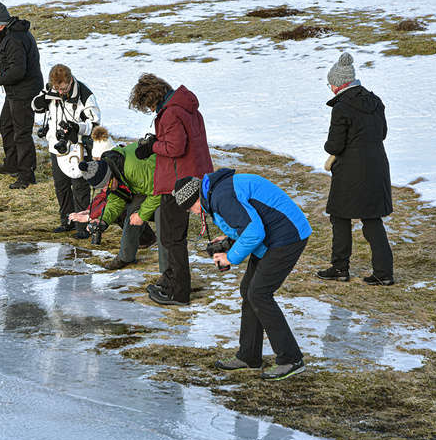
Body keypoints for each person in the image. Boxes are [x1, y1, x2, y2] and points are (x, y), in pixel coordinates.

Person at [174, 170, 311, 381]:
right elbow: (247, 219)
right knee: (249, 291)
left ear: (194, 199)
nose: (193, 213)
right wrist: (229, 237)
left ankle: (291, 360)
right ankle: (249, 357)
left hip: (287, 236)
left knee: (259, 293)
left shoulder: (220, 196)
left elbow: (255, 231)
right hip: (274, 236)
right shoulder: (216, 192)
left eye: (190, 208)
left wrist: (230, 257)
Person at [127, 73, 213, 305]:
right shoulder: (186, 108)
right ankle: (170, 281)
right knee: (172, 236)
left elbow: (176, 147)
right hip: (189, 176)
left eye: (148, 105)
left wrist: (152, 146)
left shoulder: (172, 111)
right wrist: (157, 139)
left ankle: (178, 292)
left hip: (177, 183)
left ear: (152, 97)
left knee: (172, 238)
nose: (150, 109)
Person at [315, 53, 395, 285]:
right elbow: (382, 134)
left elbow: (335, 145)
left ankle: (340, 268)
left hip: (351, 169)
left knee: (340, 217)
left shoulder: (341, 108)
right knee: (372, 220)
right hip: (377, 165)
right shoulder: (375, 100)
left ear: (341, 83)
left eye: (330, 83)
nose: (329, 87)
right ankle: (384, 273)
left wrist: (329, 149)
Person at [32, 64, 107, 239]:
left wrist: (77, 128)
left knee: (80, 187)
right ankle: (66, 221)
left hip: (78, 146)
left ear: (70, 80)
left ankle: (82, 226)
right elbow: (35, 106)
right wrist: (43, 99)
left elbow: (95, 124)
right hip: (56, 145)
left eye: (63, 89)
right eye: (57, 89)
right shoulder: (51, 89)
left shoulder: (85, 95)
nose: (60, 92)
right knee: (61, 185)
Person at [70, 143, 160, 270]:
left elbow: (158, 190)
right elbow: (116, 201)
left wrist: (142, 215)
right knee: (131, 215)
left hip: (164, 182)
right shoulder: (114, 171)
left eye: (106, 185)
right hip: (145, 188)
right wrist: (103, 221)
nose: (106, 189)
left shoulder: (132, 168)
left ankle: (168, 266)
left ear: (110, 176)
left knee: (161, 214)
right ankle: (126, 257)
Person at [0, 1, 43, 189]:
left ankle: (26, 175)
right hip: (15, 91)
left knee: (22, 133)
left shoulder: (13, 38)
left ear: (1, 24)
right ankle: (12, 163)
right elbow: (17, 61)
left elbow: (18, 70)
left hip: (23, 92)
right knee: (6, 125)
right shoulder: (13, 34)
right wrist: (2, 68)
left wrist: (0, 79)